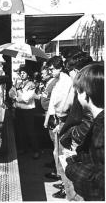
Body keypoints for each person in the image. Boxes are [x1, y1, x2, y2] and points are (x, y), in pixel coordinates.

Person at [65, 63, 104, 201]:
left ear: (86, 94)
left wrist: (71, 168)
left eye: (78, 91)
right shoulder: (98, 121)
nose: (76, 94)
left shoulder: (101, 129)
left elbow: (100, 179)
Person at [43, 56, 74, 199]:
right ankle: (63, 183)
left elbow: (64, 104)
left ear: (60, 68)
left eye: (52, 69)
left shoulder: (66, 81)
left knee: (62, 155)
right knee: (57, 153)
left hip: (62, 120)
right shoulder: (59, 80)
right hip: (58, 119)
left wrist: (57, 119)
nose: (50, 71)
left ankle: (67, 189)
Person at [9, 64, 40, 159]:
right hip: (19, 111)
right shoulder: (18, 84)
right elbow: (10, 93)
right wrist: (16, 96)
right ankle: (23, 149)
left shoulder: (31, 84)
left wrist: (16, 97)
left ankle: (36, 150)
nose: (22, 75)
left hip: (28, 111)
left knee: (30, 132)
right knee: (20, 131)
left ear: (28, 74)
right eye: (21, 73)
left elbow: (26, 99)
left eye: (24, 73)